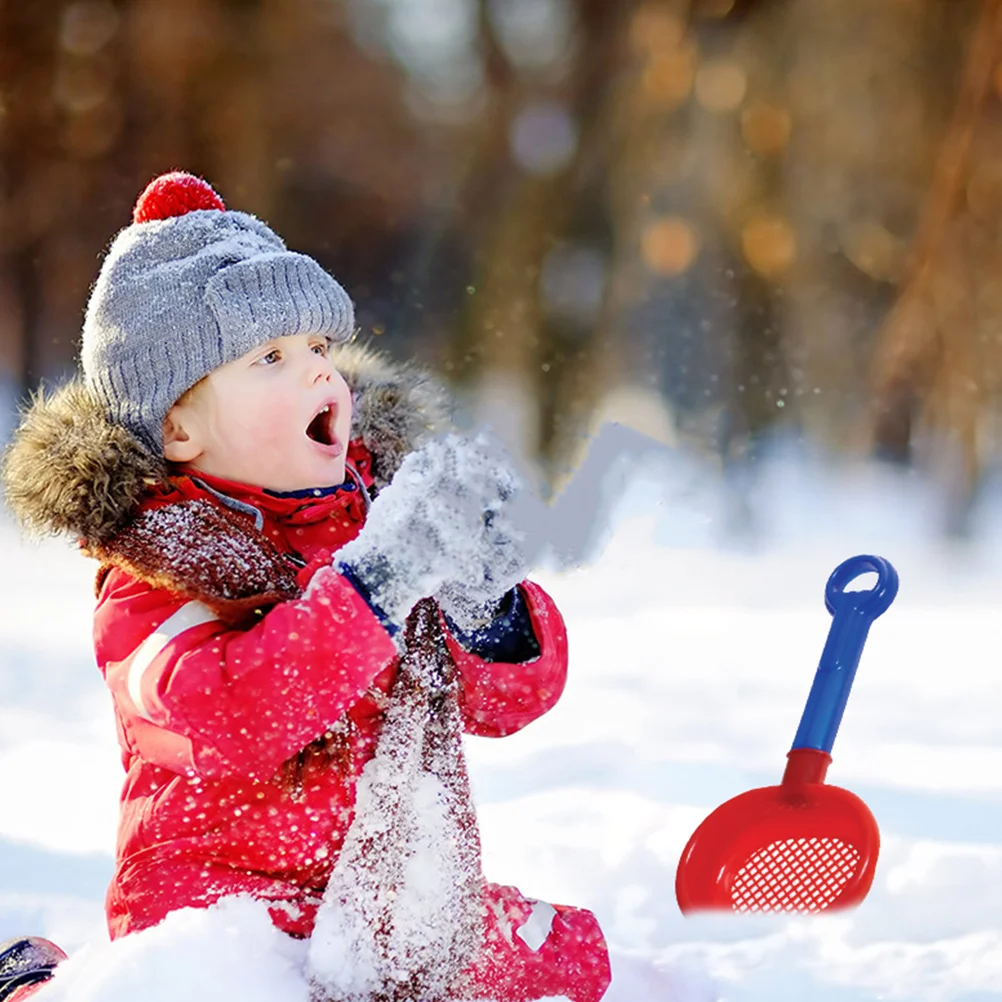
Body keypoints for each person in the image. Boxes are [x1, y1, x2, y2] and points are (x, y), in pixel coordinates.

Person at [0, 172, 611, 1002]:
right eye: (271, 359)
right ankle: (47, 986)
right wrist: (375, 587)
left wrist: (484, 601)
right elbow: (237, 715)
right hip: (221, 911)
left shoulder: (383, 515)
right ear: (178, 426)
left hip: (383, 902)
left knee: (570, 960)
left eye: (320, 348)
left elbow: (510, 702)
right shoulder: (148, 576)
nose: (318, 376)